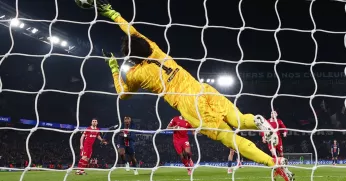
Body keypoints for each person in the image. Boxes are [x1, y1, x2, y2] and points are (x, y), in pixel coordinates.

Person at [80, 1, 294, 180]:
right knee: (239, 119)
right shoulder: (155, 49)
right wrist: (110, 12)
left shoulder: (136, 73)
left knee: (230, 139)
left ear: (131, 58)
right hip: (202, 88)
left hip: (189, 104)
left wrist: (114, 68)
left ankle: (273, 163)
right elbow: (131, 30)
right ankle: (257, 121)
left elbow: (123, 94)